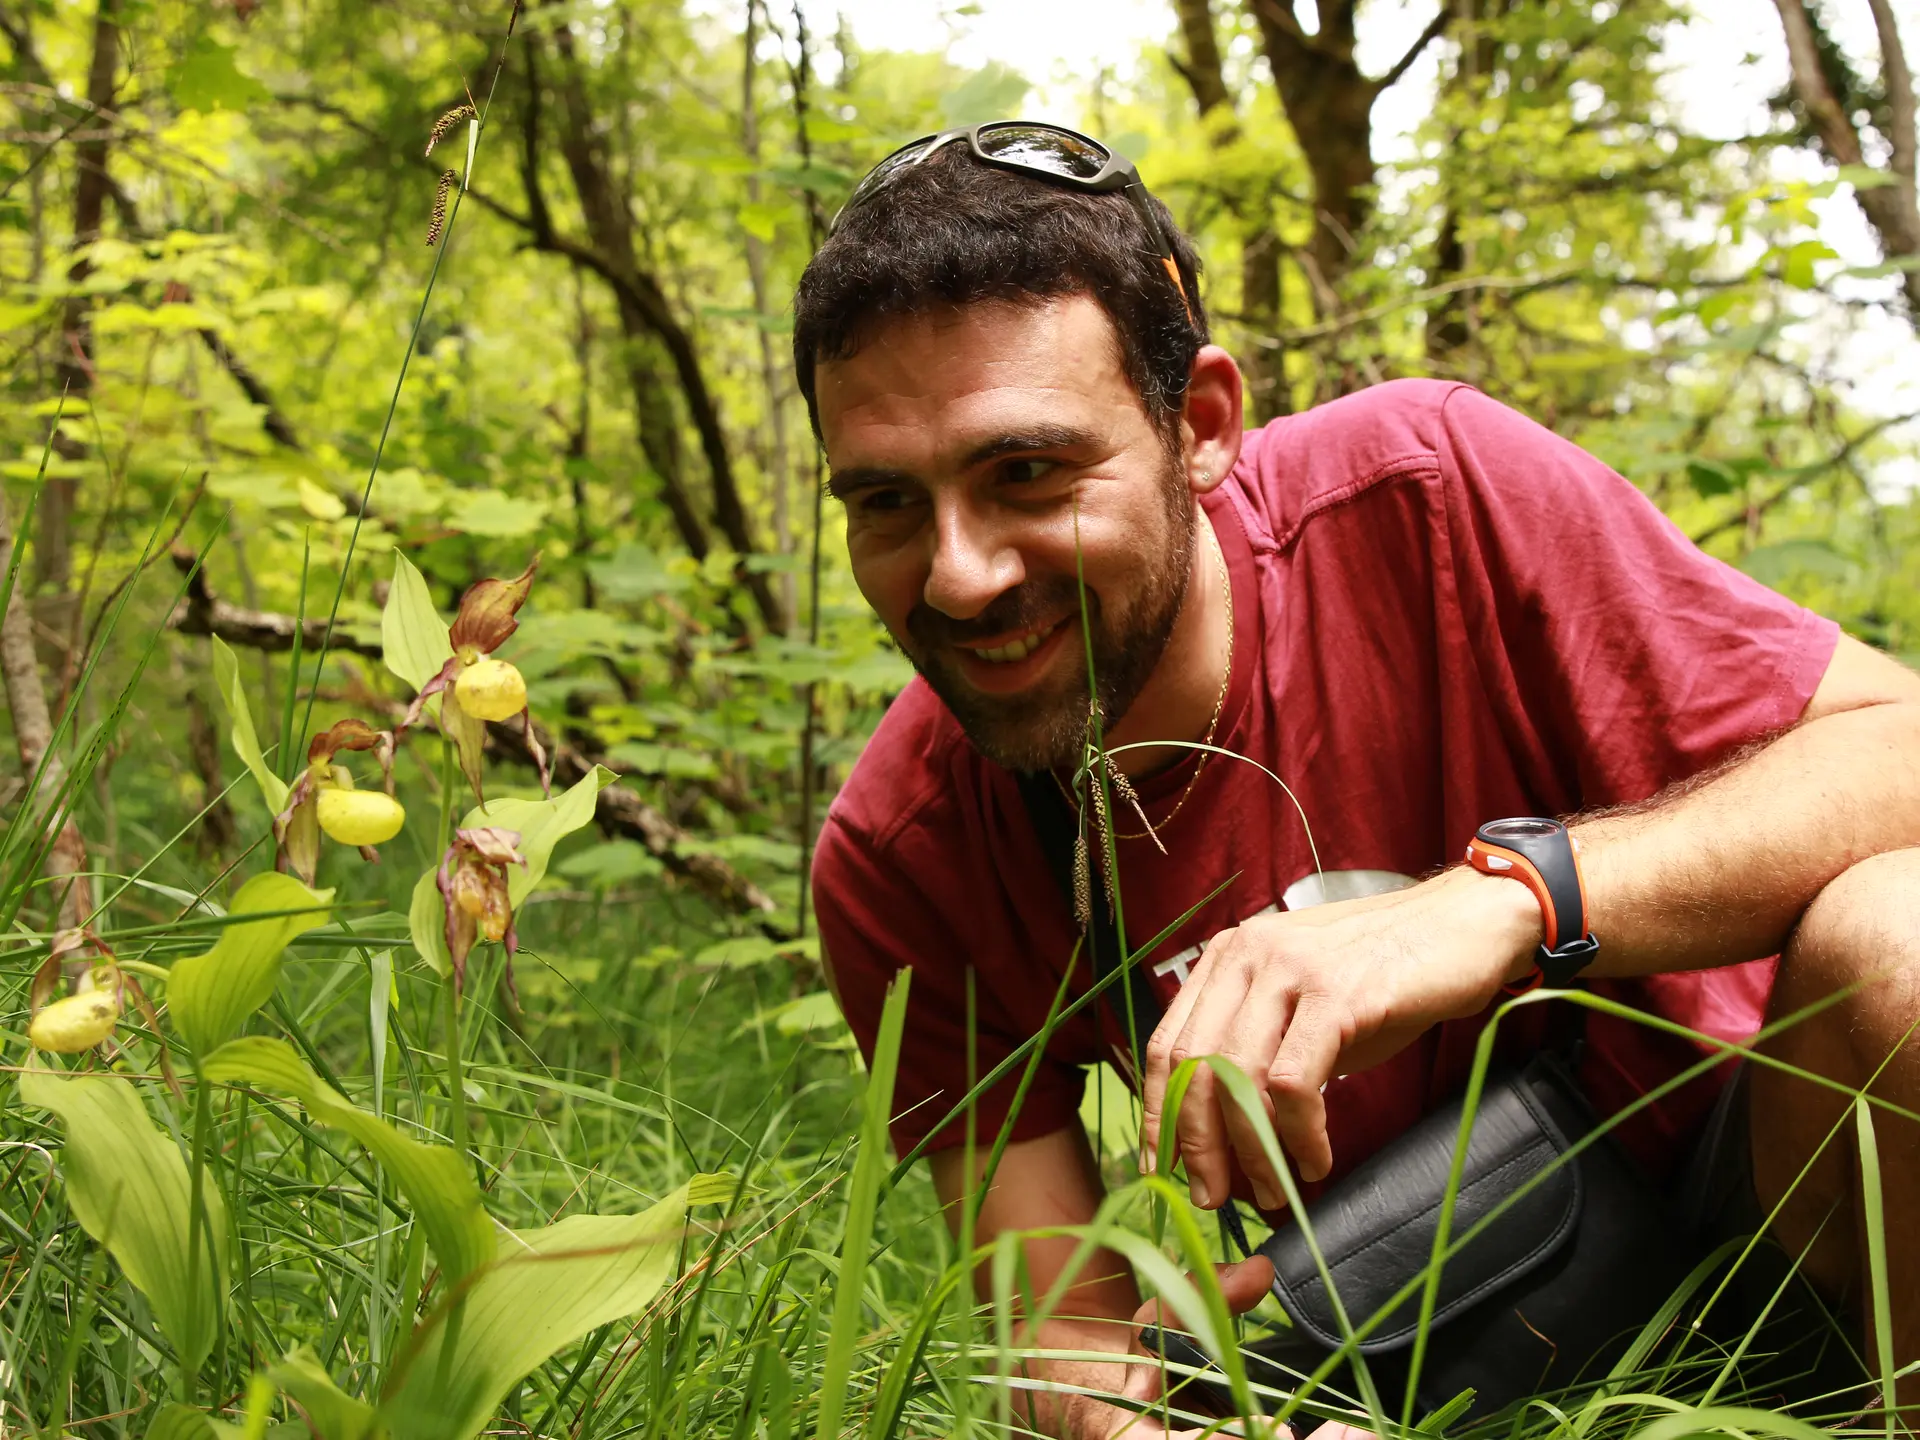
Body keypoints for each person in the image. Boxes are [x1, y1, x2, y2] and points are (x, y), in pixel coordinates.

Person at [795, 122, 1920, 1440]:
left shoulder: (1427, 490)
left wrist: (1500, 904)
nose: (957, 576)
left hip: (1782, 1187)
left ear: (1200, 425)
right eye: (885, 506)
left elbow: (1898, 750)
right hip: (1419, 1352)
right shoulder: (898, 855)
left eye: (1027, 473)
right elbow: (1061, 1326)